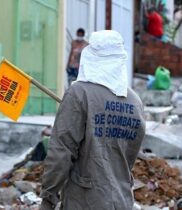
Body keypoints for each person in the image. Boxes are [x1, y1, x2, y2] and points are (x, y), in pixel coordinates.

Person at [40, 30, 146, 209]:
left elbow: (61, 152)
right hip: (122, 200)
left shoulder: (78, 94)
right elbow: (129, 156)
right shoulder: (135, 102)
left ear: (91, 56)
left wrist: (48, 197)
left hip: (85, 201)